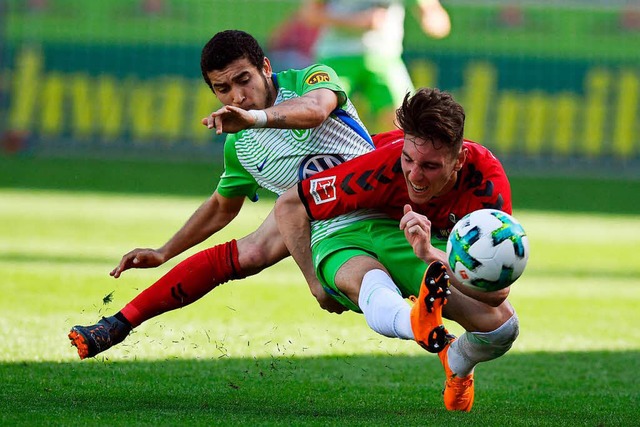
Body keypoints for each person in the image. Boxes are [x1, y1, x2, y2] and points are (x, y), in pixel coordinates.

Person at [68, 29, 381, 359]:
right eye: (223, 89)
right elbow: (221, 206)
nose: (238, 96)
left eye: (244, 79)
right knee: (252, 253)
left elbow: (316, 109)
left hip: (381, 197)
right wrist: (163, 252)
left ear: (266, 67)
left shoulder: (310, 79)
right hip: (332, 225)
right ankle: (119, 323)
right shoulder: (240, 146)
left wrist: (256, 119)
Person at [274, 88, 519, 412]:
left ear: (458, 159)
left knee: (501, 329)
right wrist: (315, 284)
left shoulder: (486, 183)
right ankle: (417, 321)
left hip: (415, 246)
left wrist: (431, 253)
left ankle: (457, 359)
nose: (415, 176)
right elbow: (291, 204)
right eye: (408, 159)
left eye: (430, 166)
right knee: (364, 277)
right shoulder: (378, 163)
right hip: (348, 230)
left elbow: (497, 292)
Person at [300, 0, 450, 132]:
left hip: (383, 57)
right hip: (336, 56)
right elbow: (310, 14)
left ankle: (398, 161)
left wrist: (431, 18)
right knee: (320, 117)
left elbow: (437, 20)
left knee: (407, 119)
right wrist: (356, 21)